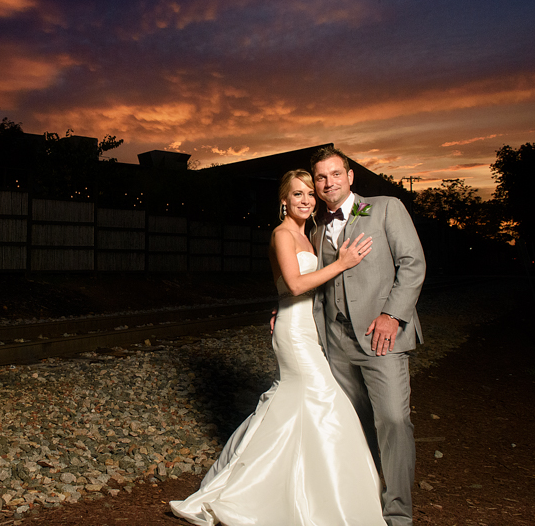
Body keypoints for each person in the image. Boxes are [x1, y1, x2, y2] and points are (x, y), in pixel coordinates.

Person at [170, 169, 386, 526]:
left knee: (297, 406)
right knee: (327, 401)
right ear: (283, 200)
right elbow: (296, 285)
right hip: (295, 333)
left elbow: (295, 288)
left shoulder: (310, 235)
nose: (305, 200)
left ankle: (300, 488)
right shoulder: (282, 234)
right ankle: (279, 496)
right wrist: (343, 264)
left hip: (310, 328)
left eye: (309, 194)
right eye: (297, 194)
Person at [310, 147, 425, 526]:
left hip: (381, 337)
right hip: (336, 341)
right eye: (321, 177)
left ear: (350, 176)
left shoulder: (385, 207)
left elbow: (412, 263)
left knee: (392, 419)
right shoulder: (316, 227)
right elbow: (315, 284)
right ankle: (364, 501)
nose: (329, 183)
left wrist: (392, 315)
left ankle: (398, 514)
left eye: (335, 174)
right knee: (353, 422)